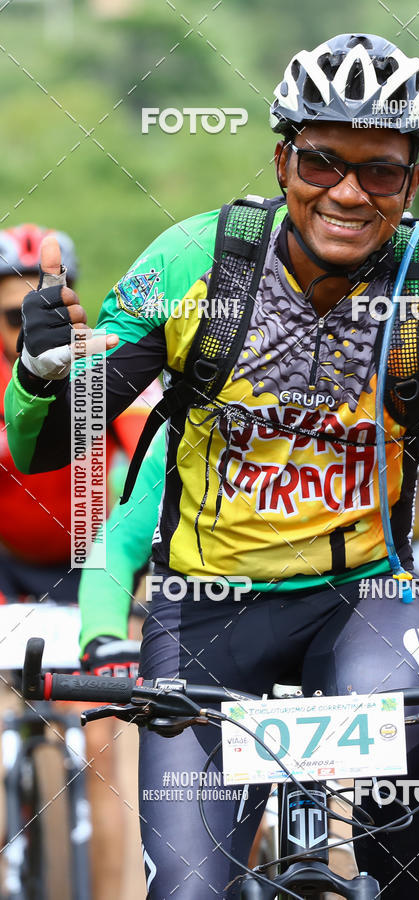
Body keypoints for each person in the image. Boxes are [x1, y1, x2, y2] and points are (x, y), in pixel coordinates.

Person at [5, 34, 419, 899]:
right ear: (283, 160)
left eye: (381, 171)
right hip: (203, 608)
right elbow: (49, 444)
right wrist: (35, 377)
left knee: (404, 769)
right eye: (323, 161)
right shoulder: (188, 267)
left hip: (363, 600)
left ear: (414, 182)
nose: (349, 192)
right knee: (190, 891)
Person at [0, 223, 155, 900]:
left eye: (32, 309)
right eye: (7, 314)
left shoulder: (96, 358)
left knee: (99, 747)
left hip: (90, 570)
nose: (20, 326)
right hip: (7, 569)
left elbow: (149, 444)